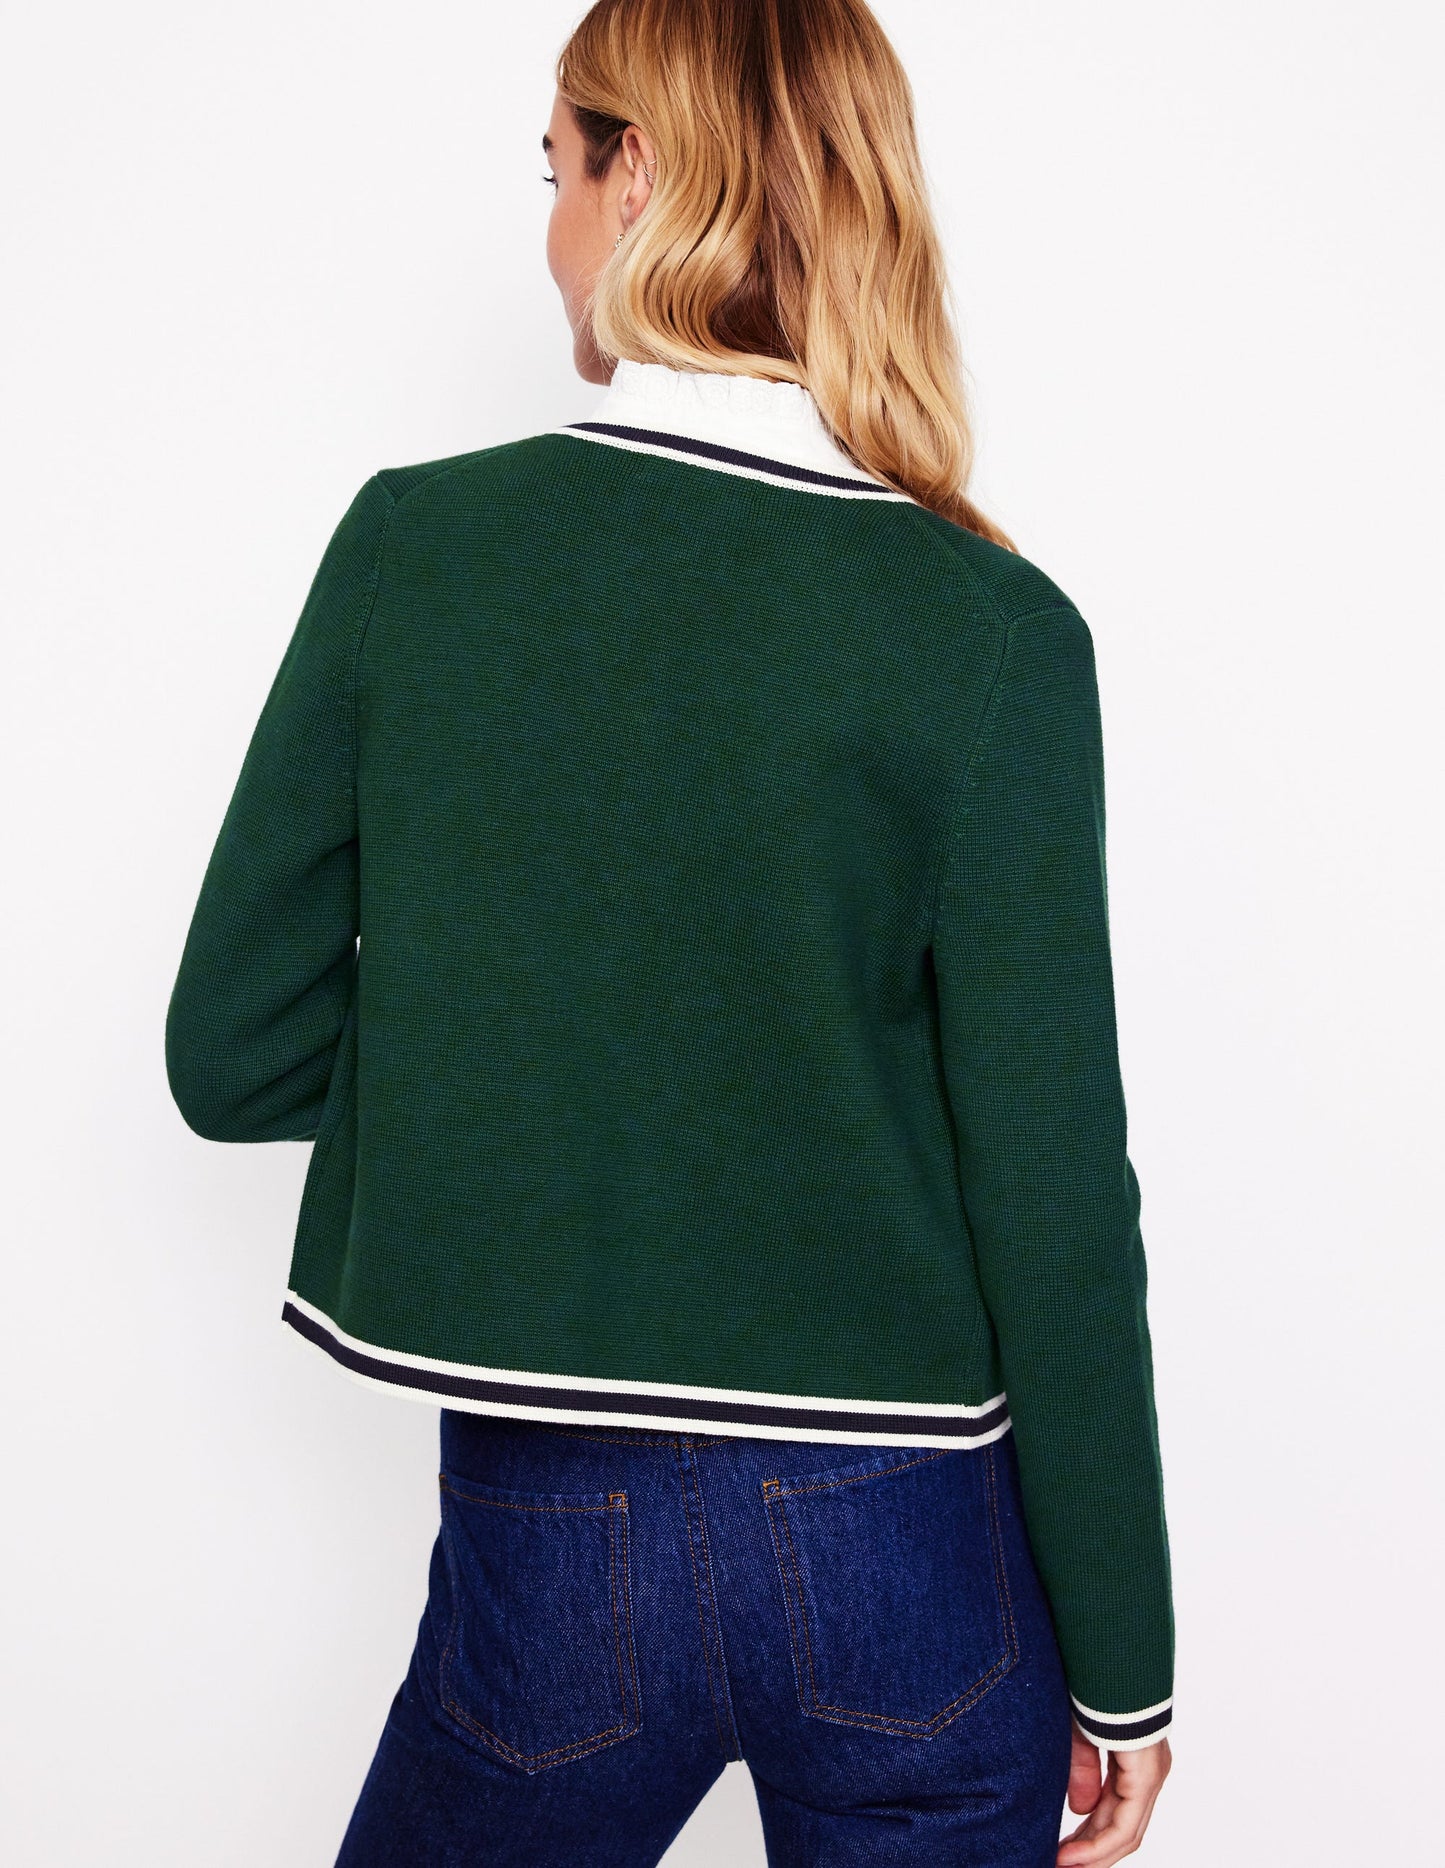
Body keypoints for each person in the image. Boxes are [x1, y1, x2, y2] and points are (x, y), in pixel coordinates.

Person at [164, 1, 1175, 1862]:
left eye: (556, 169)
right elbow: (1052, 1191)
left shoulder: (418, 550)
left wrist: (523, 1044)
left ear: (639, 174)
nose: (549, 225)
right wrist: (1125, 1669)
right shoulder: (995, 631)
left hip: (559, 1533)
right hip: (917, 1550)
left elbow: (233, 1058)